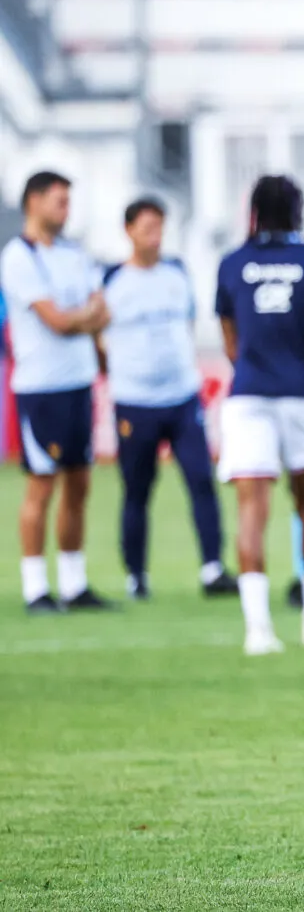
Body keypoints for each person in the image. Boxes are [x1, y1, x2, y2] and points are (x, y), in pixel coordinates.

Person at [215, 175, 304, 655]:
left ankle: (258, 631)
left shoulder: (231, 265)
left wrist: (253, 370)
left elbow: (230, 341)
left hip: (248, 395)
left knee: (252, 511)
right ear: (298, 211)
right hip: (302, 396)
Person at [99, 197, 237, 600]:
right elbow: (98, 338)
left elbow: (189, 323)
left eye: (159, 228)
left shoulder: (177, 273)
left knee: (201, 480)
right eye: (147, 229)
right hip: (134, 399)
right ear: (129, 231)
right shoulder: (112, 280)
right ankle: (136, 575)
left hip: (181, 396)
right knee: (138, 489)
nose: (154, 237)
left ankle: (213, 568)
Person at [0, 171, 116, 614]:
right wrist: (80, 318)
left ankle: (74, 582)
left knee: (79, 484)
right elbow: (57, 321)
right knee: (41, 486)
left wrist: (81, 318)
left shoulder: (73, 253)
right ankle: (35, 588)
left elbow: (99, 311)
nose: (65, 210)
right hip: (40, 387)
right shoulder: (18, 256)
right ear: (34, 201)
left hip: (77, 382)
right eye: (59, 201)